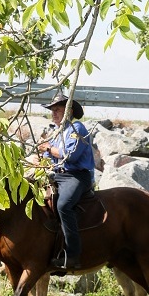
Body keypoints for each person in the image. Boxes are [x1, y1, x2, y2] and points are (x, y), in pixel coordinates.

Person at [39, 92, 96, 270]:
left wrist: (48, 147)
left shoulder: (77, 129)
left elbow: (69, 156)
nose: (53, 114)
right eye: (52, 110)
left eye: (57, 110)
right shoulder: (57, 133)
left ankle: (72, 255)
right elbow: (50, 157)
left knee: (64, 205)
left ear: (69, 111)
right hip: (59, 174)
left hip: (77, 176)